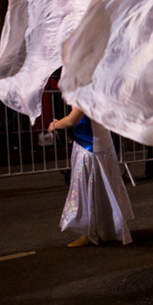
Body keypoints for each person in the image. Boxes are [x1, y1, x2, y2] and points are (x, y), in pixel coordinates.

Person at [49, 106, 134, 247]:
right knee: (103, 188)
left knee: (87, 190)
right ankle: (107, 228)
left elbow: (72, 120)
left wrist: (55, 125)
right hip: (103, 143)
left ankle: (91, 232)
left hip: (89, 146)